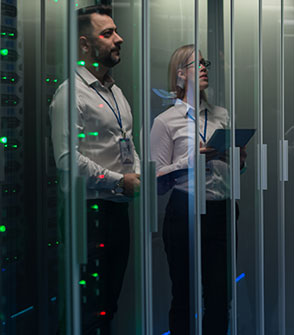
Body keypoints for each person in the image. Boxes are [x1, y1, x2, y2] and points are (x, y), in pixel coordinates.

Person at [49, 4, 139, 333]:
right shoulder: (70, 94)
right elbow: (66, 159)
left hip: (116, 209)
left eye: (116, 31)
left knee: (108, 306)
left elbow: (127, 142)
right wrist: (120, 180)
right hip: (86, 213)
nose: (120, 38)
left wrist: (137, 173)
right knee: (84, 308)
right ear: (85, 45)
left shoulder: (116, 93)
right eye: (108, 33)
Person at [150, 44, 245, 334]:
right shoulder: (165, 121)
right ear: (180, 74)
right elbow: (156, 181)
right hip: (185, 212)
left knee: (219, 298)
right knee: (184, 297)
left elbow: (238, 168)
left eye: (205, 63)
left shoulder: (221, 116)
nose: (204, 68)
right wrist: (190, 161)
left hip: (221, 211)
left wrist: (236, 158)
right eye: (196, 64)